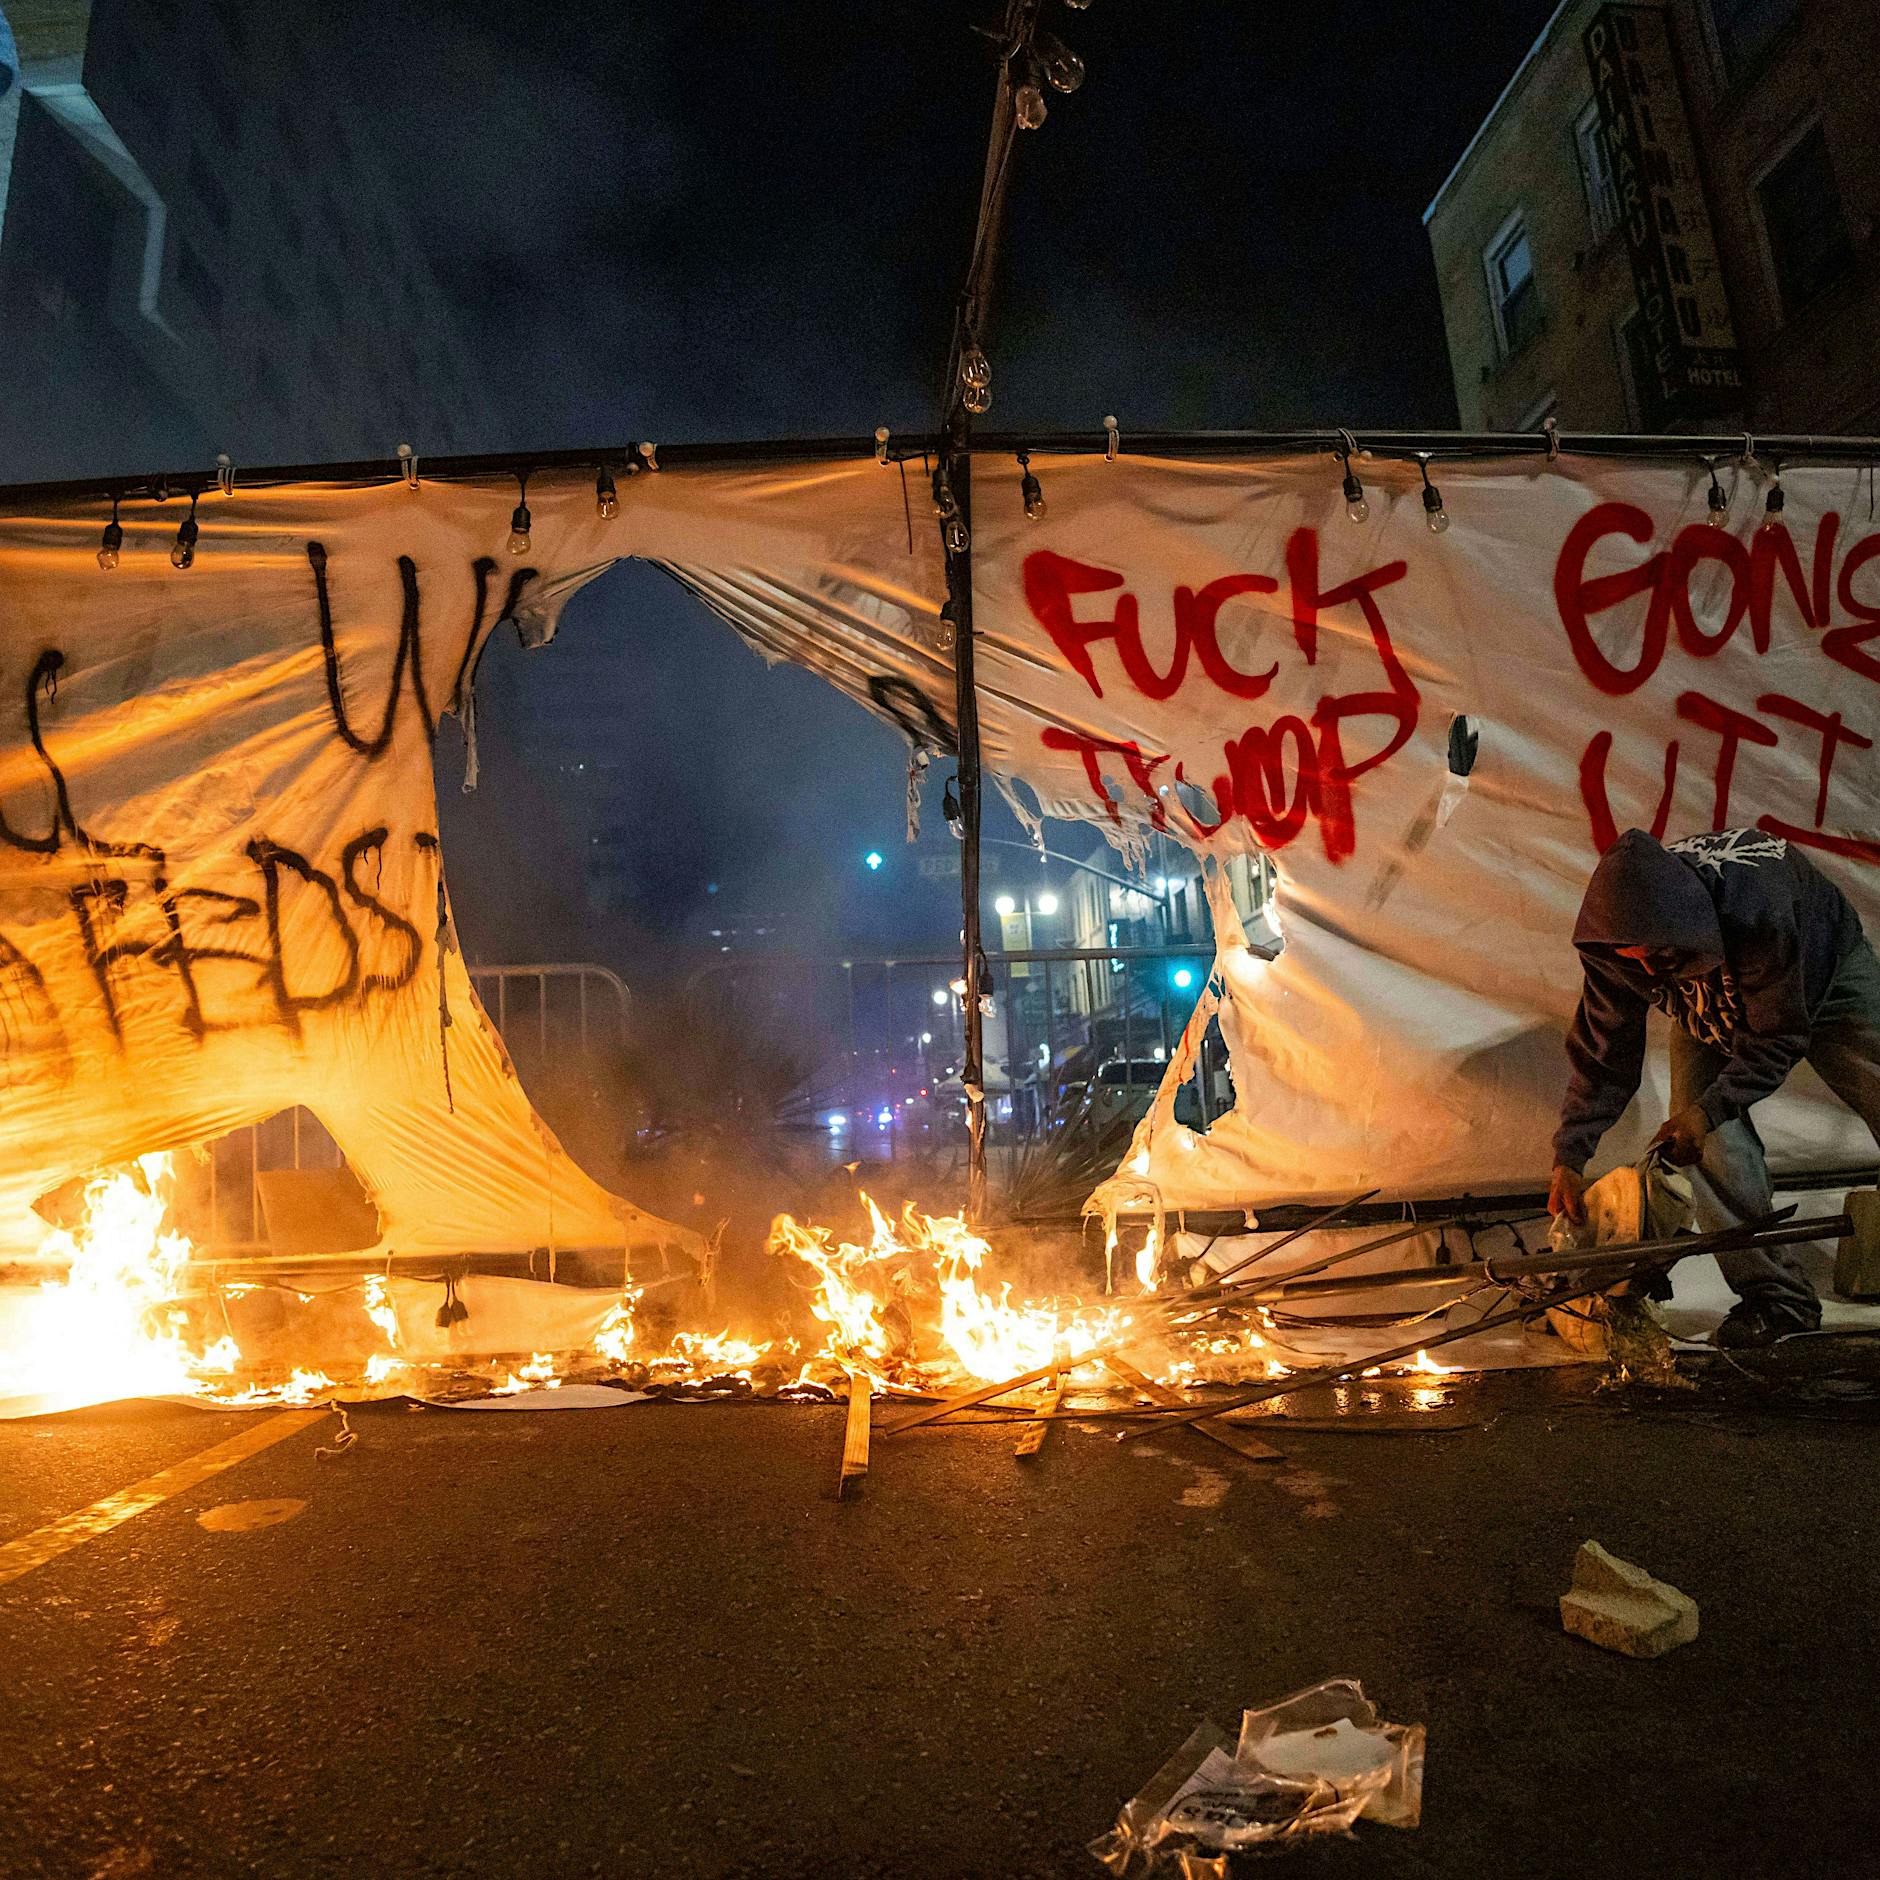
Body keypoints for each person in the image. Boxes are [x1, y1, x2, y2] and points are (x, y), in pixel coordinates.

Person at [1550, 827, 1880, 1347]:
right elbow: (1604, 1052)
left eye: (1657, 955)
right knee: (1703, 1145)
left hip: (1821, 971)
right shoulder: (1618, 944)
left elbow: (1777, 1038)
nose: (1644, 968)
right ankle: (1776, 1298)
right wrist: (1570, 1155)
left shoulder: (1759, 906)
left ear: (1686, 926)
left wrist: (1708, 1111)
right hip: (1707, 998)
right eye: (1633, 957)